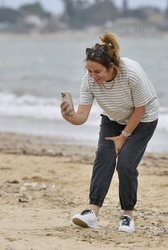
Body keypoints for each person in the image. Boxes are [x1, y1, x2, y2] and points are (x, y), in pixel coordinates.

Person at [60, 32, 159, 233]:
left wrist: (124, 136)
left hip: (143, 119)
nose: (93, 77)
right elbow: (81, 116)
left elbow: (140, 109)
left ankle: (127, 216)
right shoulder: (89, 81)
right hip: (113, 118)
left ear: (111, 68)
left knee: (125, 165)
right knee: (103, 158)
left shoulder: (131, 74)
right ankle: (92, 212)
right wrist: (69, 116)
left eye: (98, 72)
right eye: (89, 71)